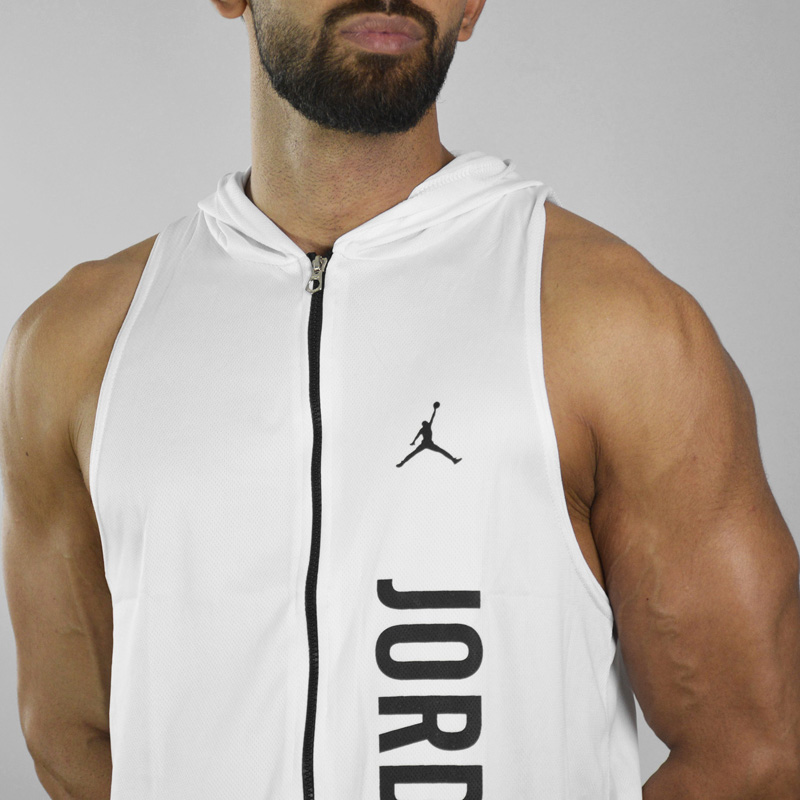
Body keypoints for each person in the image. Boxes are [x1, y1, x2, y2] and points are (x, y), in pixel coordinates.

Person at [2, 0, 799, 797]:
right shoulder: (82, 346)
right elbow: (74, 739)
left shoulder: (616, 326)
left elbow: (753, 754)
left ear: (473, 6)